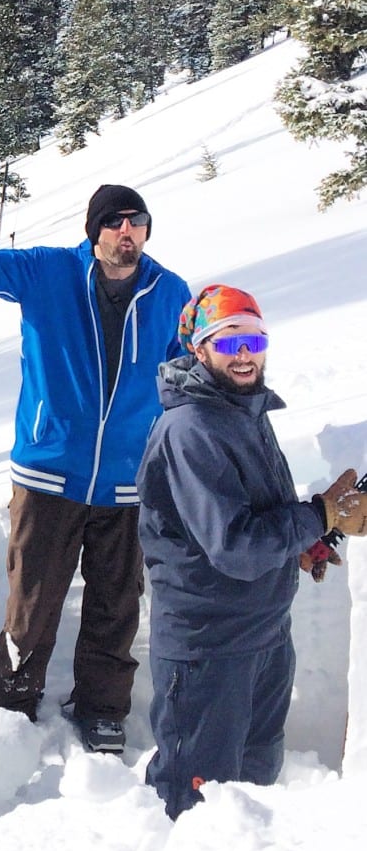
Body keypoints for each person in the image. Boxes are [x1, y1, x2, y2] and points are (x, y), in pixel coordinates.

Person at [0, 140, 192, 753]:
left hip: (129, 483)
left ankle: (104, 706)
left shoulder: (171, 291)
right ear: (94, 231)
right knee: (34, 600)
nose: (128, 232)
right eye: (115, 222)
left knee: (117, 605)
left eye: (138, 223)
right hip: (50, 474)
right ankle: (10, 699)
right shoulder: (49, 273)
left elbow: (184, 376)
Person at [137, 284, 367, 817]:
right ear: (198, 349)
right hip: (207, 650)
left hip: (263, 638)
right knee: (193, 805)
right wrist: (323, 514)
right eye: (227, 341)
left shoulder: (243, 412)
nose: (244, 354)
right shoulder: (191, 428)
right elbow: (235, 546)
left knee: (252, 798)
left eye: (254, 340)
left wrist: (303, 543)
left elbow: (258, 511)